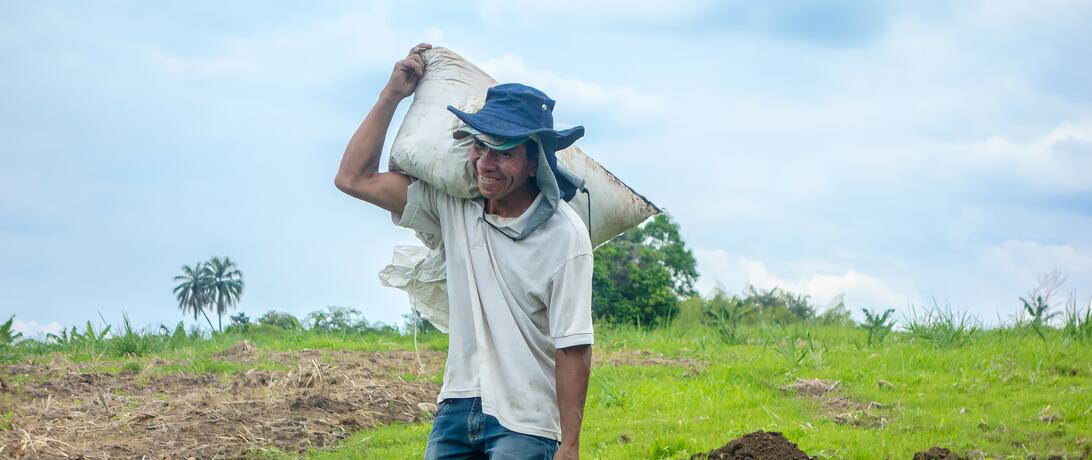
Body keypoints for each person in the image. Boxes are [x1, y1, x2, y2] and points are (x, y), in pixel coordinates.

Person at [335, 43, 593, 460]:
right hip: (456, 406)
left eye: (504, 152)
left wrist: (570, 446)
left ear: (534, 163)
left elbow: (574, 347)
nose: (486, 164)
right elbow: (353, 178)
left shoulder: (565, 237)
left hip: (525, 423)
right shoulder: (453, 204)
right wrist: (393, 95)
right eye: (480, 147)